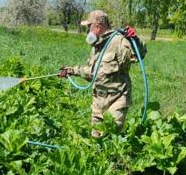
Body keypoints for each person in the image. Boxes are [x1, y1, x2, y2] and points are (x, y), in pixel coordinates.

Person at [59, 10, 138, 138]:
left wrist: (135, 40)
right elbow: (92, 72)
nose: (87, 31)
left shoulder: (119, 41)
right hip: (98, 100)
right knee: (96, 138)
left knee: (110, 137)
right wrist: (71, 71)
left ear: (97, 26)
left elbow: (138, 55)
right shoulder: (96, 45)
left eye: (88, 27)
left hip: (116, 99)